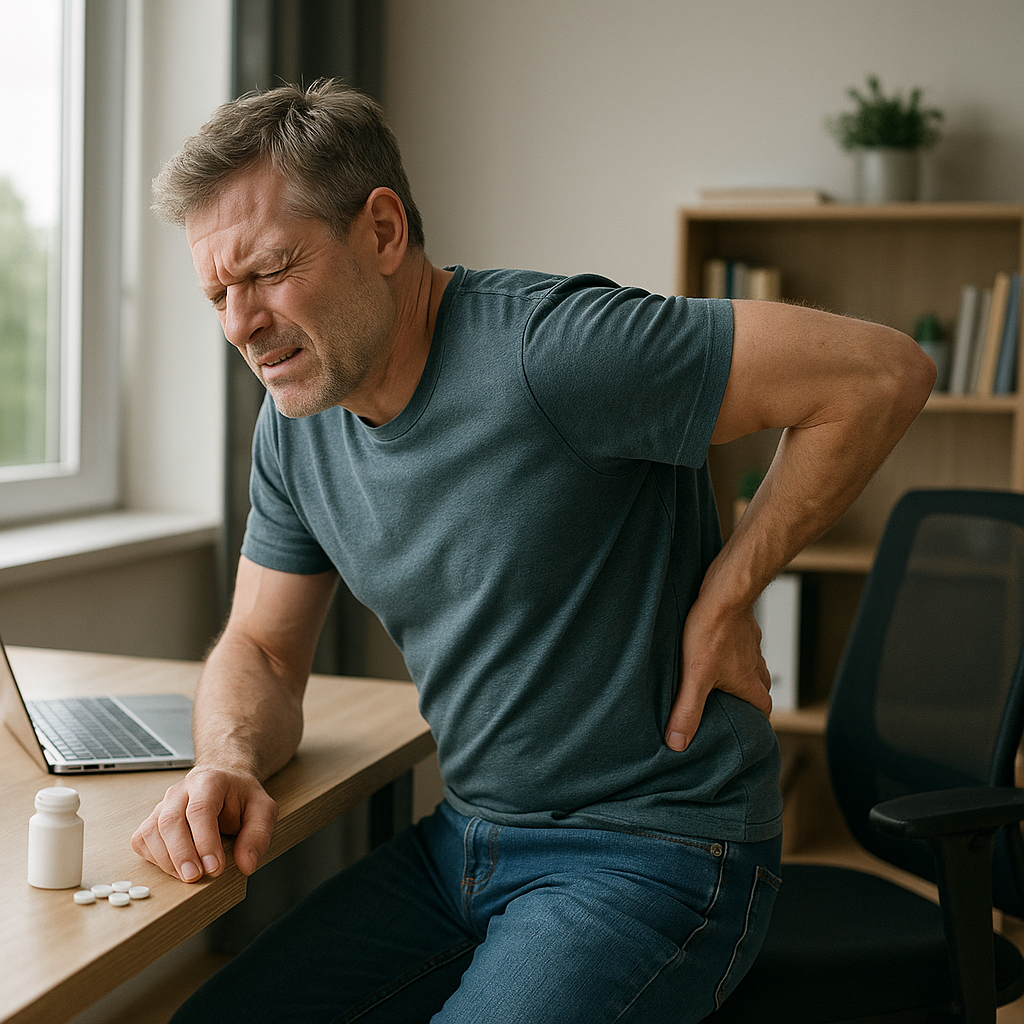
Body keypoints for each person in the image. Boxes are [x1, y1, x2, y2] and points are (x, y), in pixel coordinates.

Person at [132, 80, 935, 1024]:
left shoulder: (554, 350)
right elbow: (263, 649)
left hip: (659, 851)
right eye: (218, 292)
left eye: (266, 271)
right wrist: (225, 761)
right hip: (464, 844)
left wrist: (730, 590)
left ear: (382, 232)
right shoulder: (296, 426)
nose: (240, 324)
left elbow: (882, 374)